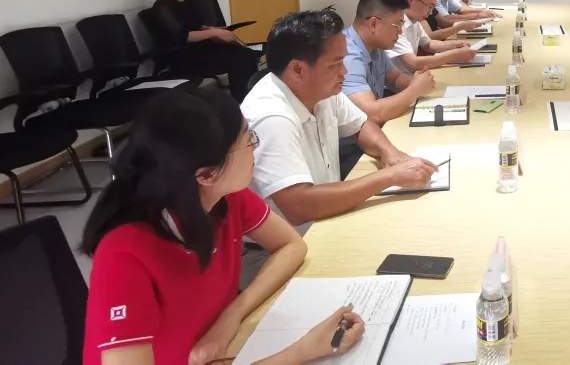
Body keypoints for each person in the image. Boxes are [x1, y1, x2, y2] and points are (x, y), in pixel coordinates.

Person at [81, 88, 365, 365]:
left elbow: (292, 245)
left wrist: (231, 315)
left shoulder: (225, 197)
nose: (256, 146)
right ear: (207, 174)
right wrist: (300, 352)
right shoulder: (124, 256)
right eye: (248, 139)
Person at [242, 9, 437, 236]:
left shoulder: (319, 88)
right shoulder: (271, 117)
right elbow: (299, 206)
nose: (344, 71)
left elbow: (361, 125)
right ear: (297, 69)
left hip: (328, 217)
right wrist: (389, 177)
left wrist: (389, 152)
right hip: (290, 241)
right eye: (335, 64)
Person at [151, 0, 260, 101]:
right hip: (182, 55)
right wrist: (214, 32)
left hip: (202, 47)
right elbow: (183, 37)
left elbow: (198, 25)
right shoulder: (162, 7)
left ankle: (249, 98)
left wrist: (213, 29)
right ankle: (240, 101)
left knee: (246, 53)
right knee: (239, 58)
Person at [343, 0, 439, 123]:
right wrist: (415, 90)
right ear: (373, 24)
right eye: (397, 25)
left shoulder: (376, 46)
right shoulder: (347, 55)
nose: (400, 32)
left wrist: (417, 81)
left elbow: (395, 78)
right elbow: (371, 114)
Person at [391, 0, 479, 72]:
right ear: (410, 0)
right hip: (403, 79)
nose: (430, 13)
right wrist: (455, 55)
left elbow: (428, 44)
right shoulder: (395, 26)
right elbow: (413, 63)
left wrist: (457, 45)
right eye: (429, 7)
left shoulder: (414, 21)